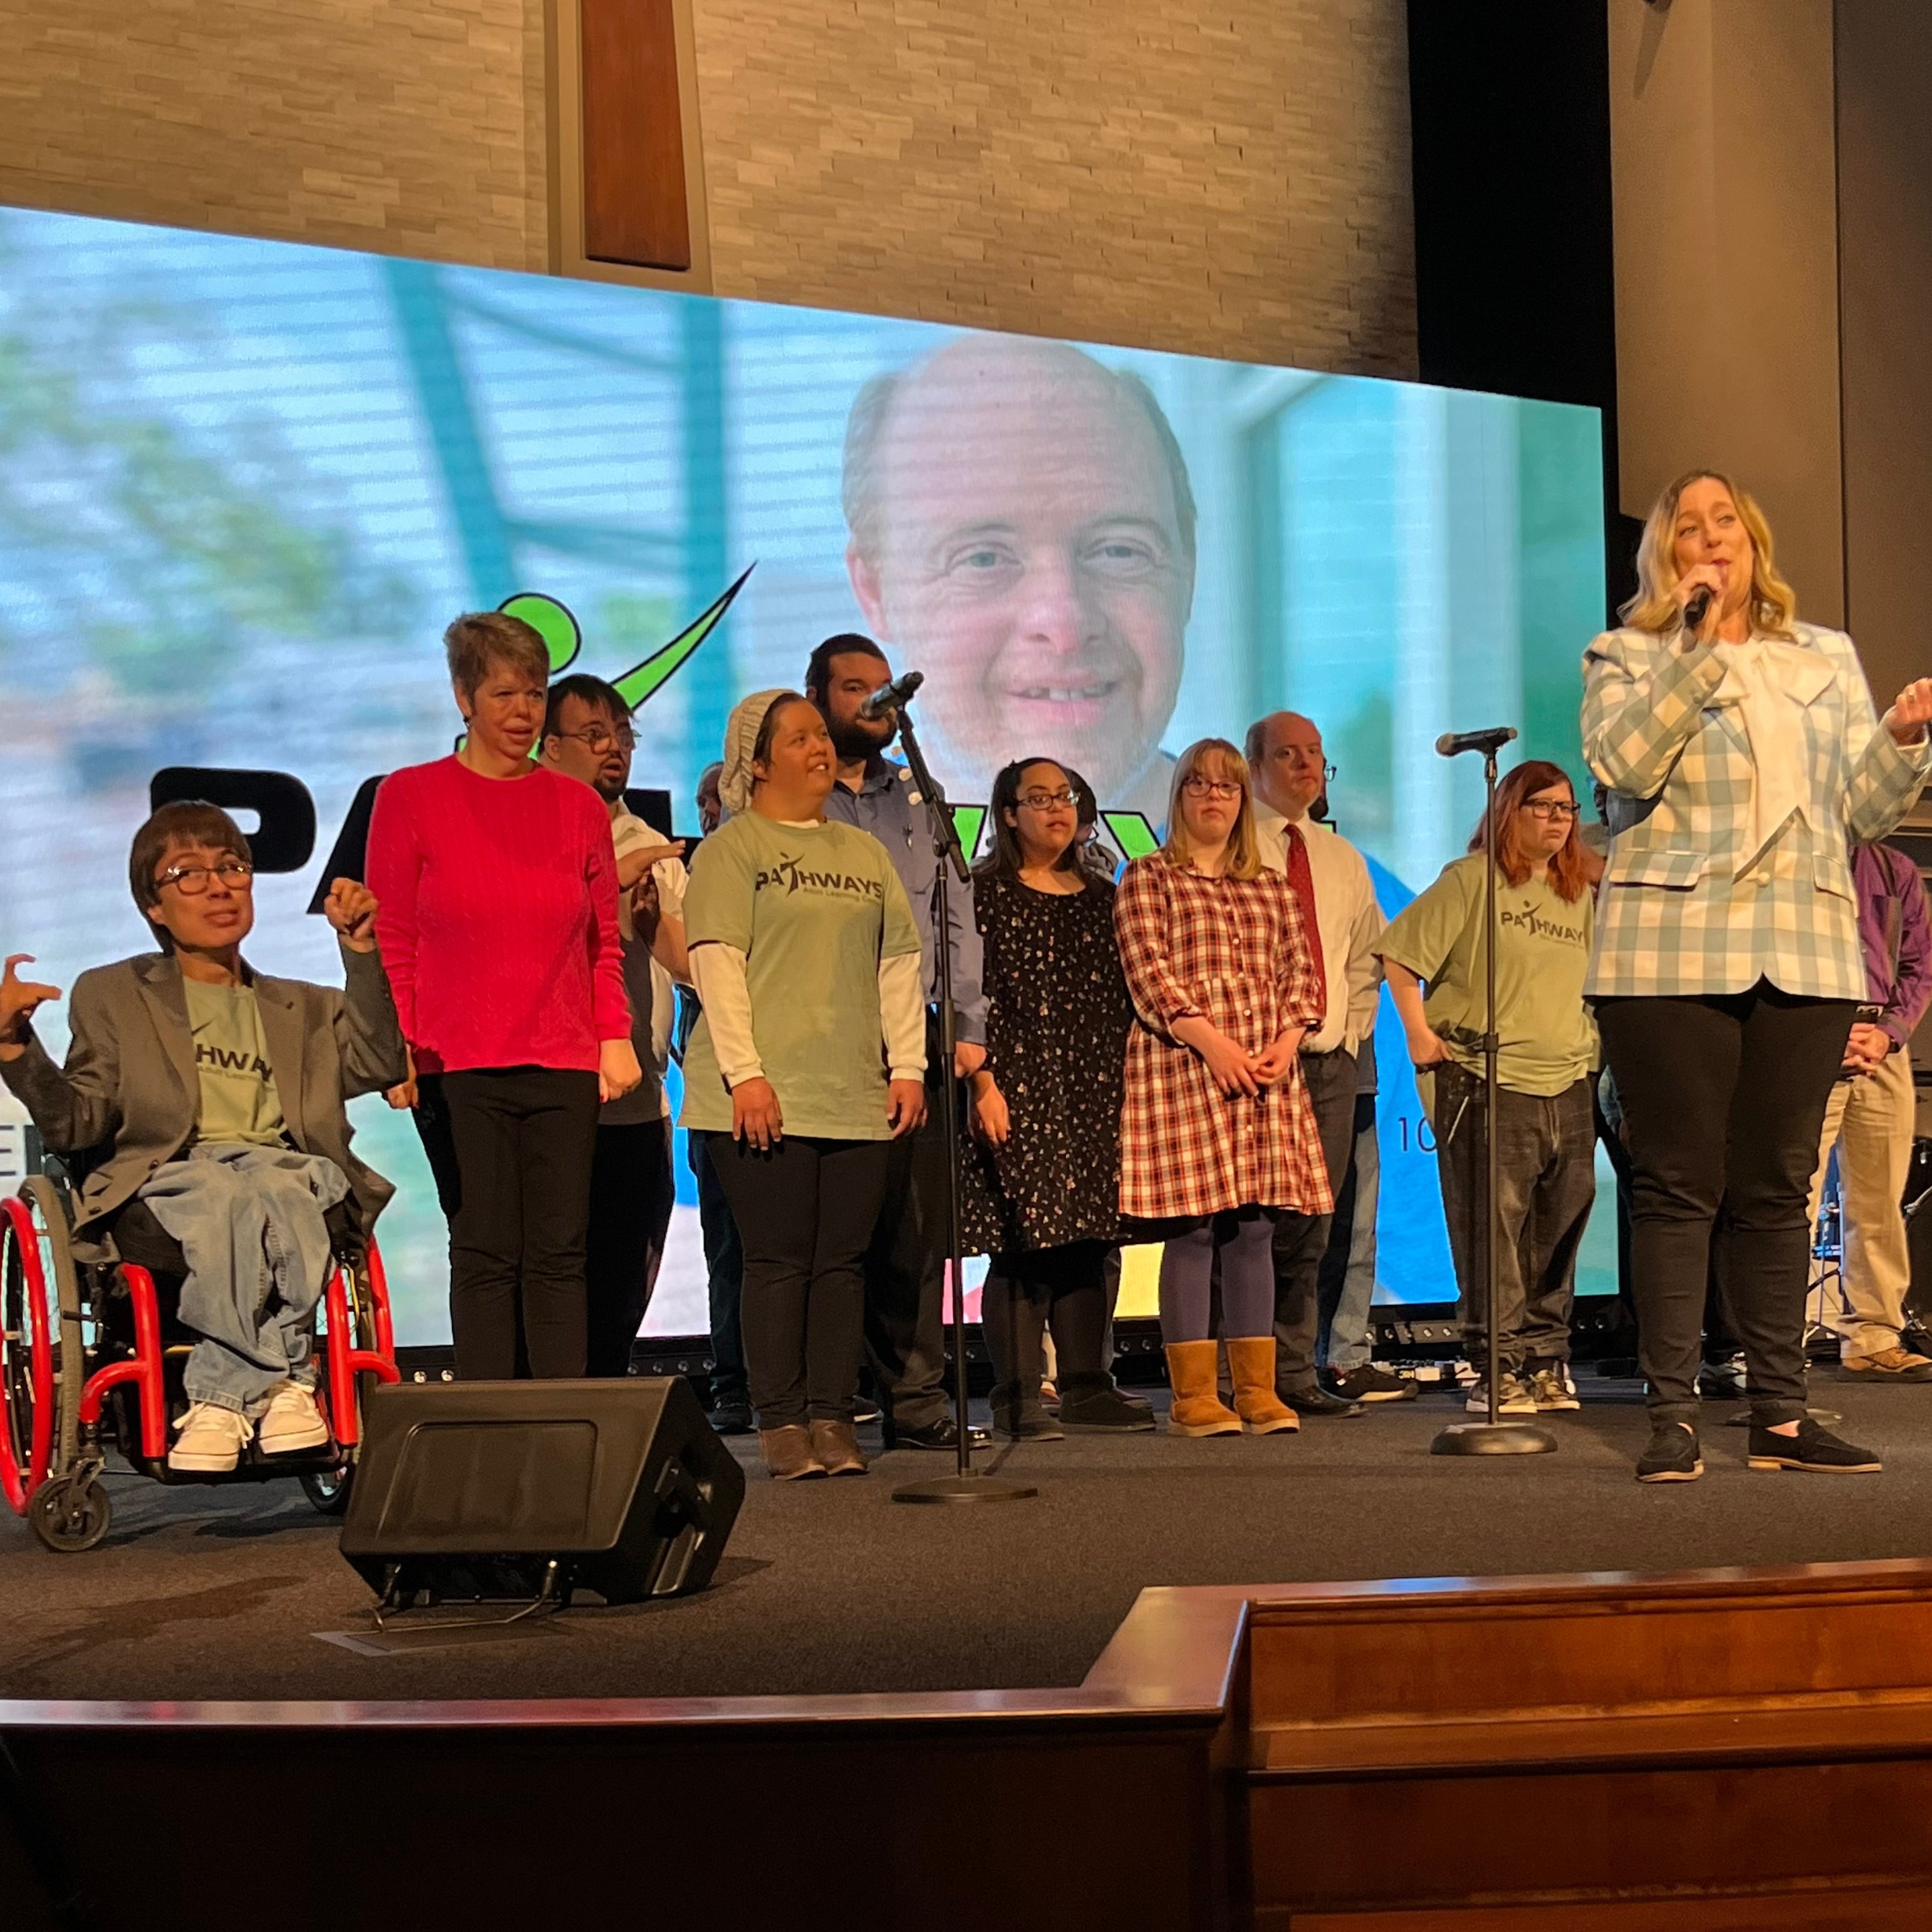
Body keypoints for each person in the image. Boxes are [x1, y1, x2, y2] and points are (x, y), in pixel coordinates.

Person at [1585, 469, 1932, 1481]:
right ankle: (1673, 1417)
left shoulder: (1822, 656)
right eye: (1686, 527)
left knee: (1780, 1188)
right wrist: (1691, 653)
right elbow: (1627, 766)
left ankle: (1782, 1414)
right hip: (1670, 947)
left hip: (1809, 945)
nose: (1708, 537)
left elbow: (1862, 814)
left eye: (1722, 521)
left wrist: (1905, 744)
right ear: (1667, 557)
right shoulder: (1630, 653)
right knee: (1678, 1185)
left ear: (1752, 540)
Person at [0, 803, 406, 1472]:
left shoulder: (302, 1006)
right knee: (226, 1189)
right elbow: (78, 1124)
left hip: (288, 1173)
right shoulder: (113, 995)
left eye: (232, 867)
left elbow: (378, 1064)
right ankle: (281, 1386)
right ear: (153, 906)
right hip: (169, 1179)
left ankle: (225, 1400)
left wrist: (360, 953)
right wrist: (18, 1048)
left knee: (280, 1183)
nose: (219, 886)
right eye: (187, 874)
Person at [367, 611, 639, 1381]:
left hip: (561, 1058)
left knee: (560, 1251)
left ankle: (559, 1423)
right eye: (503, 693)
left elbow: (600, 941)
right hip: (456, 1060)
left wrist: (611, 1034)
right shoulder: (411, 796)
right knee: (485, 1248)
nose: (521, 711)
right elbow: (395, 936)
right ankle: (487, 1425)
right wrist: (400, 1045)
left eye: (533, 693)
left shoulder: (577, 805)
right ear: (463, 696)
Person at [681, 689, 929, 1480]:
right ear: (756, 762)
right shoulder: (732, 848)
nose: (819, 747)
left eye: (821, 734)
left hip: (852, 1090)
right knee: (778, 1260)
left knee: (841, 1263)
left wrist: (908, 1065)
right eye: (797, 738)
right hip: (759, 1094)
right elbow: (716, 965)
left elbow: (898, 964)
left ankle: (833, 1416)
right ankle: (782, 1422)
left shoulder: (864, 853)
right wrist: (746, 1076)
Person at [842, 335, 1196, 825]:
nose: (1065, 623)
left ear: (1189, 572)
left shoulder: (1276, 853)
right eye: (983, 558)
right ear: (875, 591)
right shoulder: (830, 847)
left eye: (1120, 550)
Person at [1115, 738, 1331, 1437]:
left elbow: (1301, 974)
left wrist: (1285, 1042)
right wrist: (1212, 1043)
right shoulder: (1147, 877)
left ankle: (1258, 1391)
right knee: (1196, 1226)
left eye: (1228, 788)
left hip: (1266, 1072)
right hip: (1186, 1068)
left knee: (1257, 1226)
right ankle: (1193, 1397)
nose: (1214, 797)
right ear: (1178, 797)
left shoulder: (1269, 887)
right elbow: (1150, 972)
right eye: (1199, 786)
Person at [807, 632, 989, 1452]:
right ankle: (827, 1398)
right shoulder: (792, 800)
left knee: (917, 1229)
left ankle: (917, 1396)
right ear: (817, 698)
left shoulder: (918, 797)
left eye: (883, 688)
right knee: (839, 1228)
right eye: (853, 688)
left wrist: (964, 1022)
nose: (874, 702)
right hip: (826, 1036)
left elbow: (955, 915)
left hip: (917, 1031)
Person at [1377, 761, 1599, 1417]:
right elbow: (1400, 956)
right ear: (1509, 809)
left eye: (1567, 810)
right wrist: (1418, 1035)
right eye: (1544, 807)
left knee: (1558, 1232)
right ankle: (1498, 1369)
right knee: (1492, 1233)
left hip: (1569, 1082)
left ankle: (1546, 1362)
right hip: (1487, 1081)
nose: (1558, 820)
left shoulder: (1579, 889)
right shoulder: (1471, 881)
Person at [960, 757, 1152, 1439]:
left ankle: (1086, 1386)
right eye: (1038, 798)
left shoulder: (1105, 894)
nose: (1056, 809)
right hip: (1013, 1087)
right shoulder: (981, 892)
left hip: (1096, 1087)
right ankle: (1016, 1396)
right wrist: (983, 1085)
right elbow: (966, 998)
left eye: (1065, 796)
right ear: (1007, 814)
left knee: (1092, 1239)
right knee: (1023, 1243)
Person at [1246, 710, 1398, 1415]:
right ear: (1256, 767)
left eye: (1316, 754)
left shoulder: (1339, 858)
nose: (1307, 767)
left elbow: (1369, 956)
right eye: (1289, 755)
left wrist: (1346, 1029)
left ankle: (1295, 1373)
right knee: (1247, 1226)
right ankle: (1237, 1375)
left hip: (1329, 1065)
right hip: (1252, 1064)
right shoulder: (1235, 847)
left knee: (1314, 1224)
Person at [539, 673, 690, 1377]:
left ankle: (602, 1393)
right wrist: (600, 886)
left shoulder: (647, 840)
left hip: (638, 1097)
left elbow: (693, 965)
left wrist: (653, 926)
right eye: (595, 735)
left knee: (630, 1264)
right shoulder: (528, 830)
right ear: (548, 746)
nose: (614, 750)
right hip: (551, 1095)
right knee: (551, 1266)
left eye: (623, 735)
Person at [1805, 840, 1932, 1381]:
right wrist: (1819, 1033)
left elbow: (1918, 963)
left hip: (1881, 1042)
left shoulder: (1892, 868)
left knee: (1879, 1198)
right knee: (1794, 1197)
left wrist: (1887, 1034)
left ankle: (1874, 1334)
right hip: (1806, 1036)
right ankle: (1773, 1343)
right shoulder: (1794, 854)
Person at [682, 758, 751, 1432]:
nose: (710, 810)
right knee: (727, 1248)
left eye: (718, 797)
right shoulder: (691, 873)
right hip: (712, 1091)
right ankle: (732, 1382)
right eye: (702, 801)